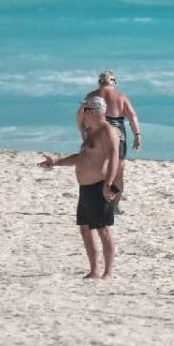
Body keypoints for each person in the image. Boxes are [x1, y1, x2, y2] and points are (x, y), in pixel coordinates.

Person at [38, 96, 121, 278]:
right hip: (85, 188)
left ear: (92, 112)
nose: (81, 113)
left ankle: (108, 271)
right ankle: (94, 270)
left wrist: (108, 184)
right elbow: (81, 157)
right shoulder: (90, 132)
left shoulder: (107, 130)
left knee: (102, 229)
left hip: (99, 186)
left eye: (84, 110)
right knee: (85, 228)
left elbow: (115, 158)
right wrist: (57, 162)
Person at [78, 71, 142, 210]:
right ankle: (114, 206)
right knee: (118, 171)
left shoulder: (91, 96)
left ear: (100, 82)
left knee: (95, 168)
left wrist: (83, 130)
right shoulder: (120, 96)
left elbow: (80, 115)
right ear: (112, 81)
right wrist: (137, 135)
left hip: (96, 130)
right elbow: (132, 116)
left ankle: (95, 202)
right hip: (117, 131)